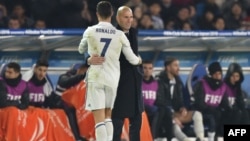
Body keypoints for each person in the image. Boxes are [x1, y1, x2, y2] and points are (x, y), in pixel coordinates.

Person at [78, 1, 141, 141]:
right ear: (112, 14)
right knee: (108, 117)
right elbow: (133, 59)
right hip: (113, 80)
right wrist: (139, 60)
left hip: (96, 77)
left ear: (97, 14)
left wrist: (89, 59)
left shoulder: (90, 30)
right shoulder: (119, 34)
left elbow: (81, 49)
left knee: (99, 120)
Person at [154, 57, 204, 141]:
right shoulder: (159, 81)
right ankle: (185, 139)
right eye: (175, 65)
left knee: (197, 114)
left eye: (178, 65)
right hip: (165, 114)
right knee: (173, 123)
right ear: (168, 67)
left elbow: (181, 99)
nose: (178, 68)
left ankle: (200, 139)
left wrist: (183, 107)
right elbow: (160, 101)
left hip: (177, 113)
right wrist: (172, 115)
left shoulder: (178, 81)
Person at [193, 62, 230, 141]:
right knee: (212, 117)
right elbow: (199, 104)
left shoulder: (223, 86)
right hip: (203, 112)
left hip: (216, 113)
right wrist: (210, 108)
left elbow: (225, 104)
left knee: (229, 115)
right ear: (211, 75)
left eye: (219, 73)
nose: (218, 76)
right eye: (215, 74)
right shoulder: (202, 84)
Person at [53, 63, 88, 141]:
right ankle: (77, 137)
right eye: (84, 72)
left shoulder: (82, 80)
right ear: (79, 70)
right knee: (71, 111)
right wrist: (82, 76)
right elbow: (67, 82)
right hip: (59, 101)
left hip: (73, 103)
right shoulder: (64, 77)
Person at [142, 60, 158, 130]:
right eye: (145, 68)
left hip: (153, 111)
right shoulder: (137, 83)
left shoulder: (157, 83)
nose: (147, 70)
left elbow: (160, 99)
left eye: (150, 68)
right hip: (140, 110)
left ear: (152, 70)